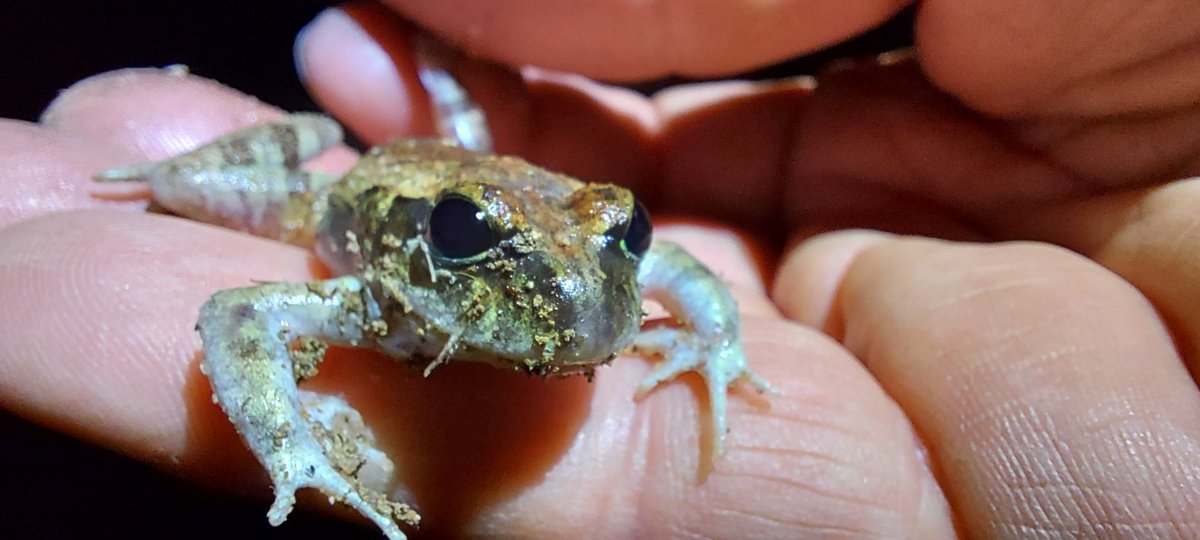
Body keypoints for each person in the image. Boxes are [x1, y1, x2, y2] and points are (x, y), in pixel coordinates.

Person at [2, 1, 1198, 537]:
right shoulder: (366, 285)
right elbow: (238, 311)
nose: (589, 295)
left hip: (506, 182)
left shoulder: (599, 256)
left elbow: (674, 265)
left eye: (611, 240)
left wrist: (717, 342)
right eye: (474, 252)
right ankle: (193, 161)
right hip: (357, 192)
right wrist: (295, 442)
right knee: (188, 186)